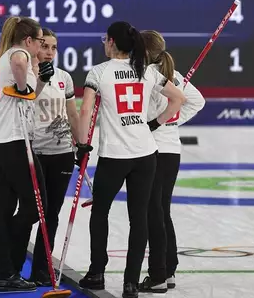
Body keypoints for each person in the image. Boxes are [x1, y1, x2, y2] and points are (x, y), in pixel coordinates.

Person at [76, 21, 186, 298]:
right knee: (140, 220)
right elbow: (178, 99)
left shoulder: (99, 72)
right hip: (145, 154)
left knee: (100, 212)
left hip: (114, 155)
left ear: (111, 42)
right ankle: (130, 284)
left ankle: (96, 273)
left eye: (105, 39)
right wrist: (153, 124)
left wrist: (81, 145)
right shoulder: (147, 71)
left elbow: (86, 109)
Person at [0, 16, 54, 293]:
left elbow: (27, 98)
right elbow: (21, 67)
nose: (41, 49)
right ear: (29, 40)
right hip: (13, 142)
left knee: (5, 208)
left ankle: (3, 273)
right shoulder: (18, 53)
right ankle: (4, 256)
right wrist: (23, 85)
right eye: (40, 43)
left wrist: (31, 84)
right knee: (38, 207)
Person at [138, 30, 205, 293]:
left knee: (154, 212)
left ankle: (159, 275)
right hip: (170, 151)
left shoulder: (150, 76)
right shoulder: (173, 76)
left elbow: (196, 102)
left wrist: (161, 122)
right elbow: (195, 102)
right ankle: (169, 269)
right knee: (161, 210)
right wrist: (172, 120)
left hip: (154, 149)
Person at [29, 28, 81, 286]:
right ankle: (11, 265)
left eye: (53, 48)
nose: (49, 52)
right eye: (45, 46)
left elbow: (72, 114)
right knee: (31, 211)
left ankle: (40, 268)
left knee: (52, 214)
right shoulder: (26, 74)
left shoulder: (64, 78)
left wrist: (81, 145)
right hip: (35, 152)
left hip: (61, 154)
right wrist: (38, 79)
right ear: (35, 47)